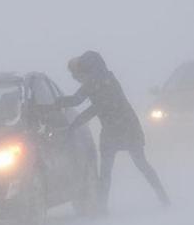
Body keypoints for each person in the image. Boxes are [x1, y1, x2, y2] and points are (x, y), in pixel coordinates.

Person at [46, 50, 170, 212]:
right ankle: (163, 197)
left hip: (113, 129)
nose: (76, 78)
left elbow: (80, 102)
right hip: (128, 125)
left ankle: (102, 208)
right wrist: (74, 121)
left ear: (83, 70)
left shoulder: (92, 82)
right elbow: (97, 106)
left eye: (76, 75)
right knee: (141, 164)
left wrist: (55, 104)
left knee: (106, 171)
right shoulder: (107, 78)